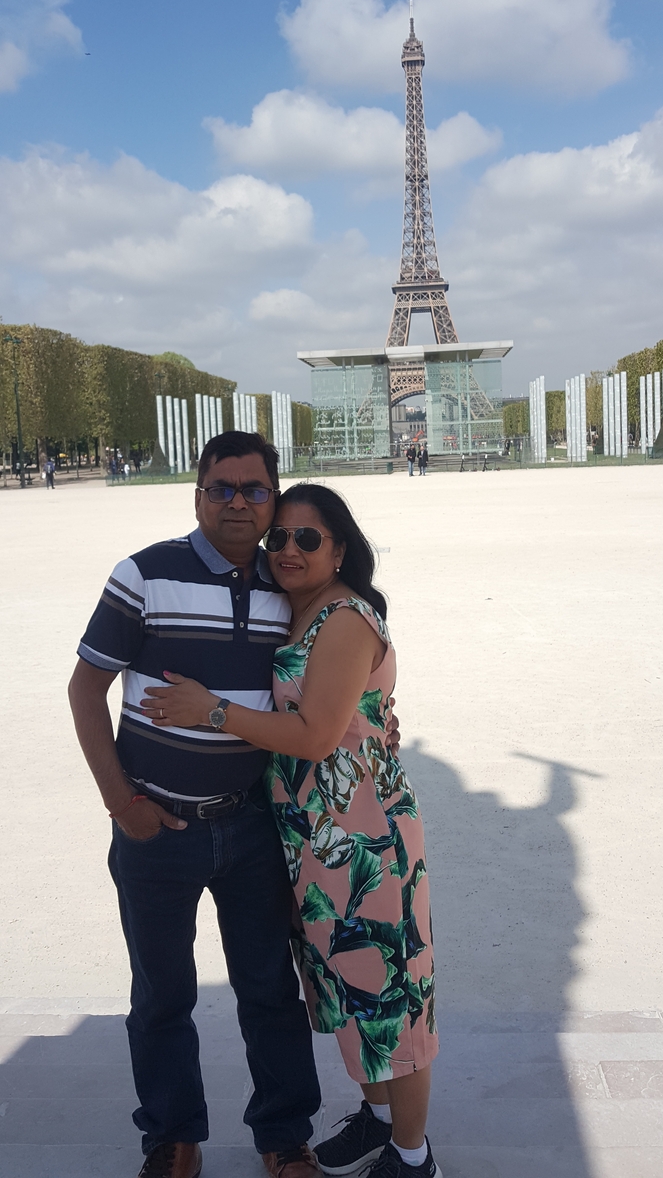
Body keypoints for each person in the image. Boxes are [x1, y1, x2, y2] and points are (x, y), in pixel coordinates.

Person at [69, 432, 402, 1178]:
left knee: (269, 991)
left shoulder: (287, 583)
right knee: (161, 995)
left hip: (252, 822)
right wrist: (121, 803)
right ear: (198, 494)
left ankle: (283, 1138)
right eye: (222, 488)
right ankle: (173, 1135)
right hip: (155, 824)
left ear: (273, 495)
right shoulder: (146, 573)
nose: (240, 504)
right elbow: (84, 688)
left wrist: (379, 715)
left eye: (256, 490)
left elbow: (336, 671)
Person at [141, 483, 441, 1178]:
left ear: (340, 549)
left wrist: (209, 712)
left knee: (389, 1001)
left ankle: (413, 1153)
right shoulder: (296, 614)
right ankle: (377, 1118)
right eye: (281, 538)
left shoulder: (343, 618)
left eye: (308, 538)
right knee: (343, 992)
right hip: (316, 844)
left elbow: (313, 735)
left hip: (364, 842)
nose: (288, 550)